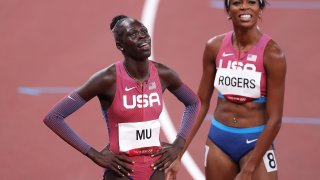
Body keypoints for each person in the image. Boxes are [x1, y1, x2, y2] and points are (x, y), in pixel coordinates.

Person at [43, 15, 200, 180]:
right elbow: (54, 117)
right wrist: (93, 154)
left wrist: (179, 144)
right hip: (121, 172)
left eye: (144, 32)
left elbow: (193, 103)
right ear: (120, 46)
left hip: (155, 170)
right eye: (133, 34)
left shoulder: (163, 74)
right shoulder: (107, 79)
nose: (142, 36)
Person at [165, 0, 286, 179]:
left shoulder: (273, 54)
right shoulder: (214, 47)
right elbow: (200, 103)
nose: (244, 7)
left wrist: (249, 169)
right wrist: (179, 153)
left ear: (260, 9)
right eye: (237, 3)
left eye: (252, 2)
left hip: (255, 143)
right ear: (228, 10)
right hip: (219, 142)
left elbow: (275, 119)